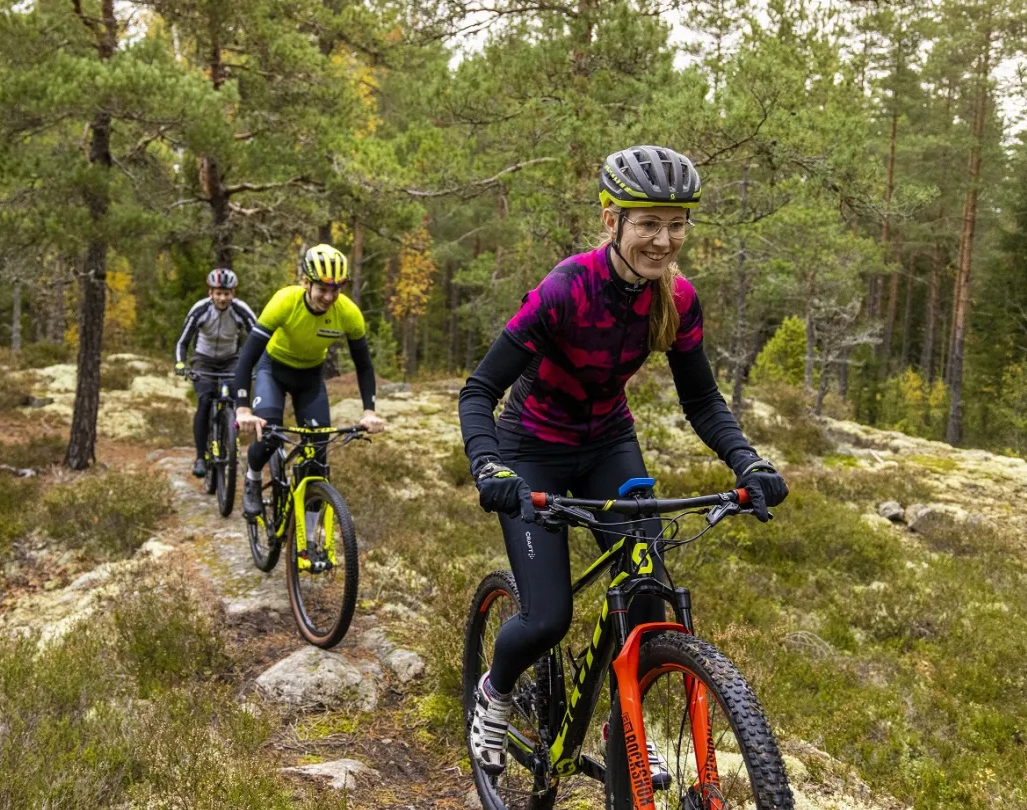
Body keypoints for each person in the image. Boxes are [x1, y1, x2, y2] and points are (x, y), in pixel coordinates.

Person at [458, 145, 789, 776]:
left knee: (646, 593)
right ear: (611, 221)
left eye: (677, 224)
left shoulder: (678, 300)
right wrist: (489, 467)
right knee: (549, 618)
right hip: (531, 449)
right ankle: (494, 692)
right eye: (648, 224)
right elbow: (479, 391)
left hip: (609, 442)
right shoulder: (566, 289)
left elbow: (702, 399)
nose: (664, 240)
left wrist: (748, 464)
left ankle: (620, 729)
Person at [233, 243, 386, 517]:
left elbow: (364, 367)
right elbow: (247, 359)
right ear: (306, 283)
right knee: (269, 435)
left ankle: (311, 542)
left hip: (310, 378)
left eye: (336, 289)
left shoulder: (349, 314)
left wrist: (369, 411)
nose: (329, 297)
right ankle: (253, 477)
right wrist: (243, 409)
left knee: (317, 457)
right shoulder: (284, 302)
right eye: (322, 289)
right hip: (273, 371)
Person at [174, 268, 257, 478]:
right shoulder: (200, 310)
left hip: (232, 360)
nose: (222, 298)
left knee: (237, 398)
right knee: (204, 400)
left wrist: (258, 366)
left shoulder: (241, 310)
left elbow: (258, 339)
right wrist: (180, 364)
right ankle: (201, 456)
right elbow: (183, 341)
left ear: (233, 294)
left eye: (226, 293)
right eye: (218, 293)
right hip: (203, 360)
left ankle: (230, 437)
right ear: (210, 292)